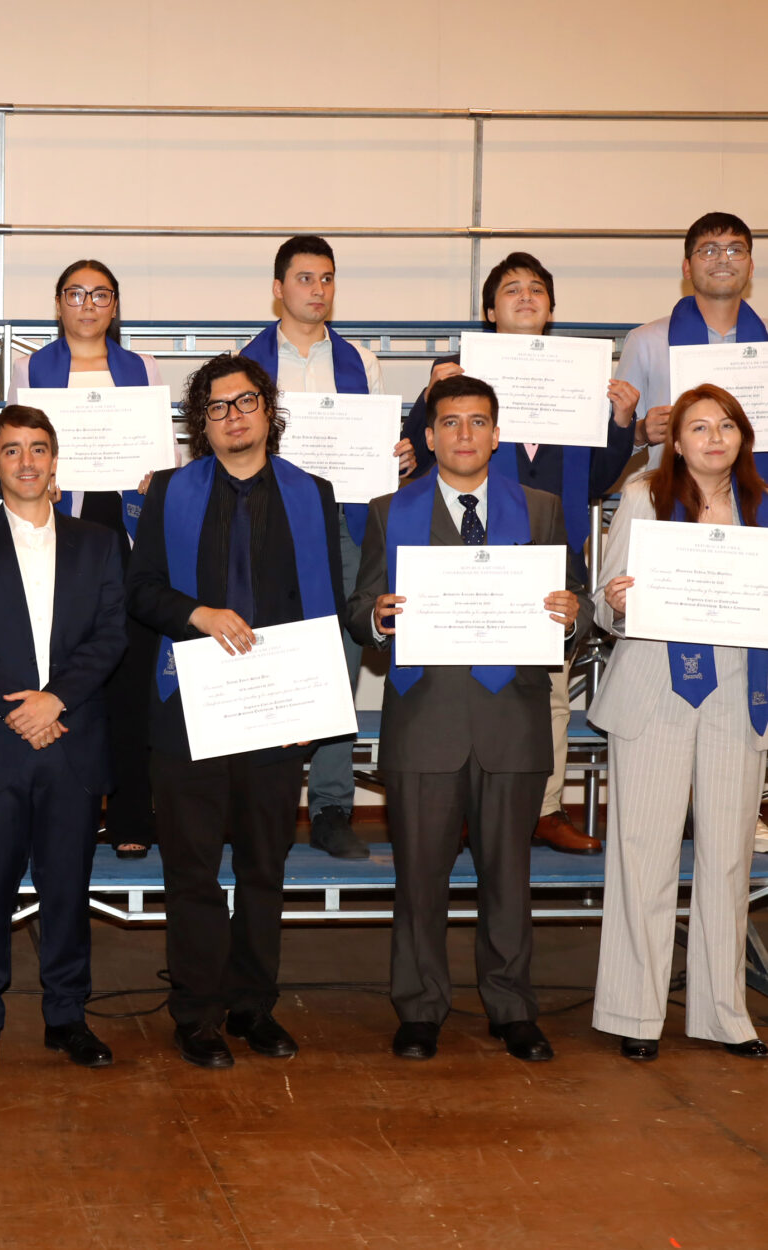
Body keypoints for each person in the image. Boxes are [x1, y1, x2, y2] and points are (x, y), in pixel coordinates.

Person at [347, 374, 589, 1063]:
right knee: (419, 879)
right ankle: (420, 1008)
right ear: (428, 436)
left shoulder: (540, 509)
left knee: (508, 879)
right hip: (426, 718)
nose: (464, 434)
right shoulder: (389, 511)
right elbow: (359, 607)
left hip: (512, 719)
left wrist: (573, 615)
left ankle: (512, 1008)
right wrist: (376, 618)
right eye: (450, 422)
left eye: (477, 422)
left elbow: (573, 598)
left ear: (496, 434)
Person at [126, 353, 345, 1069]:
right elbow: (141, 590)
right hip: (190, 707)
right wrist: (198, 614)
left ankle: (253, 1008)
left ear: (267, 408)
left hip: (279, 709)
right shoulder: (170, 492)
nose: (233, 416)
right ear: (201, 423)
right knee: (191, 872)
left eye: (245, 401)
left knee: (262, 870)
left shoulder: (312, 494)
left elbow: (327, 604)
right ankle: (197, 1014)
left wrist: (314, 704)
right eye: (216, 407)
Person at [401, 252, 641, 855]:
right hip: (463, 558)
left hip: (546, 557)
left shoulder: (579, 382)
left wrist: (620, 422)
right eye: (512, 289)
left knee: (549, 691)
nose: (526, 297)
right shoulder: (455, 379)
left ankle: (545, 808)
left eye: (537, 289)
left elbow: (596, 481)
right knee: (455, 684)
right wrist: (429, 395)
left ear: (551, 308)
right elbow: (415, 457)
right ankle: (464, 808)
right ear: (489, 310)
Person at [0, 405, 128, 1072]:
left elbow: (111, 634)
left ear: (54, 460)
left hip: (72, 738)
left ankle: (67, 1017)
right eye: (13, 450)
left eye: (38, 448)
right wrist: (21, 708)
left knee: (67, 890)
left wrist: (56, 699)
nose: (27, 461)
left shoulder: (99, 542)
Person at [589, 384, 768, 1061]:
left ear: (743, 436)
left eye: (726, 425)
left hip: (739, 694)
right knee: (643, 851)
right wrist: (616, 602)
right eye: (699, 426)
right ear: (677, 439)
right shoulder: (643, 497)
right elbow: (604, 606)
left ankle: (725, 1015)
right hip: (654, 690)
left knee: (728, 858)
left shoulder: (763, 508)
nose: (714, 437)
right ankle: (634, 1011)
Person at [240, 235, 415, 860]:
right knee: (266, 652)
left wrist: (398, 454)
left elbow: (379, 443)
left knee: (342, 654)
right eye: (305, 278)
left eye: (327, 278)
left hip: (344, 520)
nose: (318, 289)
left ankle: (333, 806)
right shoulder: (246, 362)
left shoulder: (361, 361)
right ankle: (264, 800)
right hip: (268, 521)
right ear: (278, 288)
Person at [9, 258, 161, 857]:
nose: (88, 304)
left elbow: (164, 452)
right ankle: (61, 813)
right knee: (63, 668)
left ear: (115, 305)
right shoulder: (30, 368)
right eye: (75, 294)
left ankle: (130, 816)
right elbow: (17, 442)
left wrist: (156, 478)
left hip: (127, 532)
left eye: (100, 294)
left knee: (130, 677)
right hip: (59, 530)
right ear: (58, 304)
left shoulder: (143, 367)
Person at [618, 212, 762, 473]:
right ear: (686, 268)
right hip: (672, 493)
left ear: (751, 267)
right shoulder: (645, 341)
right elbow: (607, 449)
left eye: (735, 250)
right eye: (709, 250)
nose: (723, 259)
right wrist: (640, 432)